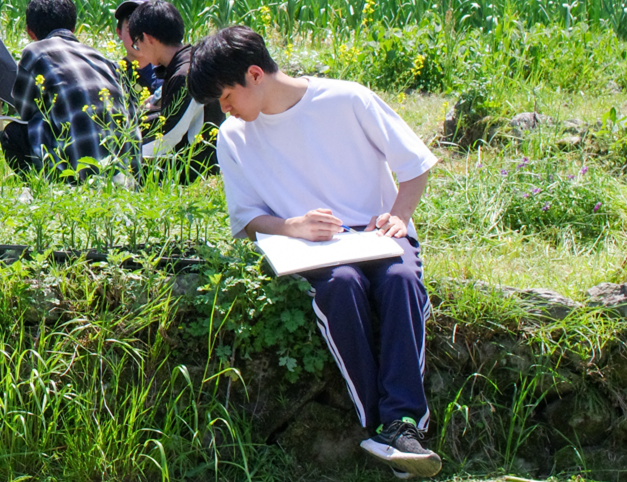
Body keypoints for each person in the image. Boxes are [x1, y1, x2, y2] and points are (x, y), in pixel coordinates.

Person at [189, 26, 442, 479]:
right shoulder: (233, 138)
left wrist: (399, 217)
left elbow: (415, 165)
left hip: (379, 234)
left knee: (402, 281)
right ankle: (388, 430)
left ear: (254, 74)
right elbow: (247, 219)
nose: (223, 110)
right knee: (342, 287)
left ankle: (402, 425)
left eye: (226, 96)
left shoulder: (347, 100)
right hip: (316, 252)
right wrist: (292, 226)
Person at [0, 0, 137, 176]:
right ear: (73, 28)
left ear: (30, 32)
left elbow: (25, 111)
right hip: (125, 172)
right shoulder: (104, 60)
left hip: (75, 173)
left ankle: (46, 182)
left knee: (13, 133)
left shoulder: (35, 52)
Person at [122, 0, 220, 178]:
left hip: (196, 168)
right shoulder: (184, 64)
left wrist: (121, 157)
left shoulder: (185, 74)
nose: (139, 50)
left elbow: (169, 135)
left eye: (138, 43)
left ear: (149, 38)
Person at [113, 0, 164, 94]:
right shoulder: (112, 74)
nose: (138, 36)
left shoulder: (166, 74)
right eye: (131, 29)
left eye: (144, 29)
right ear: (119, 33)